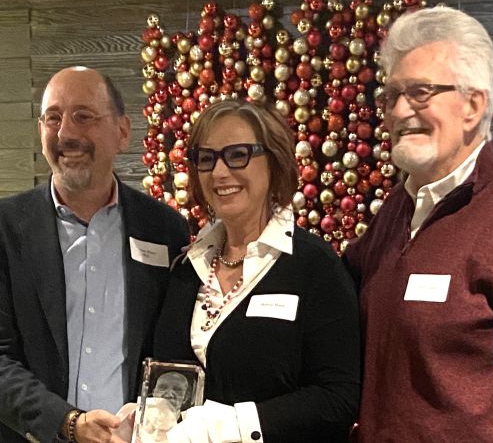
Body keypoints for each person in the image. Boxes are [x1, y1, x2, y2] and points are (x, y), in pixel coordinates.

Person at [344, 5, 493, 442]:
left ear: (473, 105)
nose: (399, 111)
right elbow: (336, 288)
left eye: (419, 92)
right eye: (391, 95)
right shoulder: (397, 208)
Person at [0, 66, 189, 443]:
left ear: (123, 132)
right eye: (53, 118)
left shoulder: (164, 230)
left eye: (84, 116)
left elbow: (171, 350)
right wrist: (68, 424)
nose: (66, 133)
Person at [150, 99, 360, 443]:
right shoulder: (186, 268)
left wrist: (230, 426)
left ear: (274, 162)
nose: (219, 172)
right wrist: (146, 417)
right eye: (206, 158)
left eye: (238, 155)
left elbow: (338, 398)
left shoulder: (315, 267)